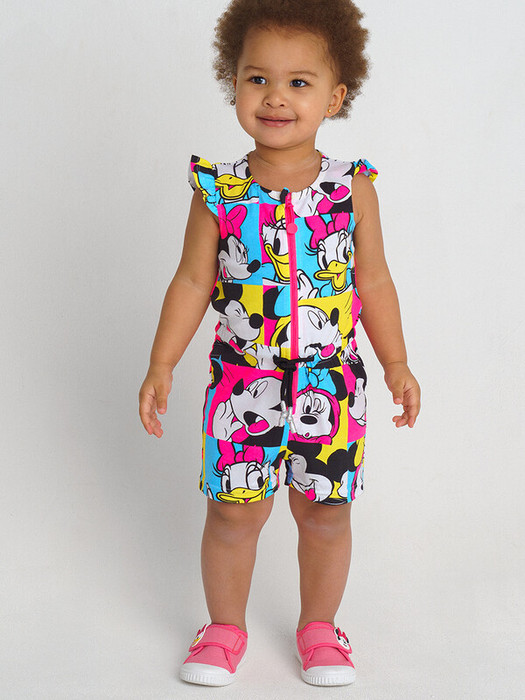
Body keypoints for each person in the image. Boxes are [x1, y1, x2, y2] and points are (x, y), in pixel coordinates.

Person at [139, 0, 421, 688]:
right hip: (241, 386)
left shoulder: (352, 190)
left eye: (299, 82)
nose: (275, 96)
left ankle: (320, 628)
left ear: (335, 97)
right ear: (232, 83)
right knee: (232, 512)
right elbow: (191, 281)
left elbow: (374, 282)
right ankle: (223, 629)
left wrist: (396, 362)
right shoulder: (218, 190)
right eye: (257, 78)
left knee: (325, 514)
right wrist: (161, 362)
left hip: (331, 387)